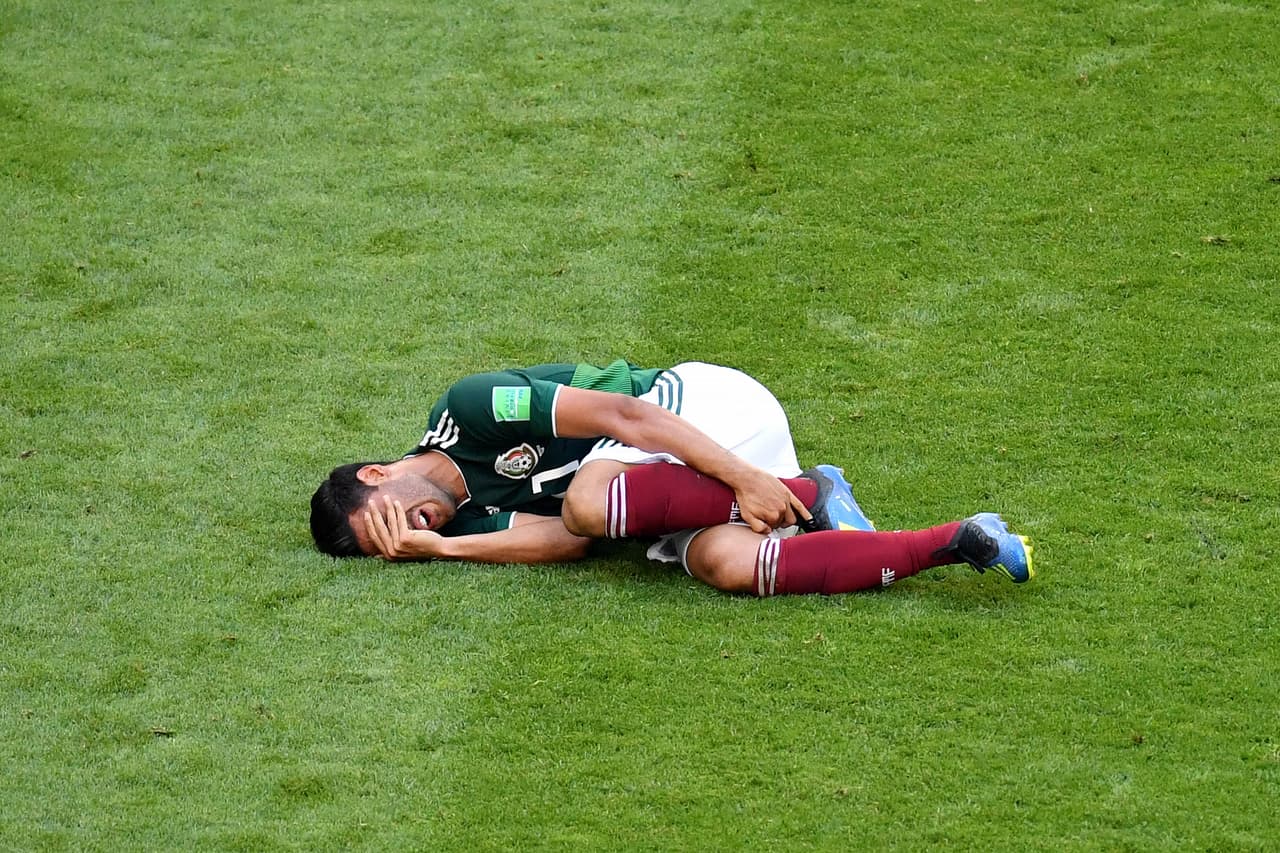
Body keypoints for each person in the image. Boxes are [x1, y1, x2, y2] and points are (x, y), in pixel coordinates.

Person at [310, 359, 1034, 596]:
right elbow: (566, 543)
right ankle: (956, 540)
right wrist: (442, 551)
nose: (414, 531)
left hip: (705, 412)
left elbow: (625, 414)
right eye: (397, 544)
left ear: (378, 472)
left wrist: (746, 477)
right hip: (674, 485)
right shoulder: (464, 526)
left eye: (396, 517)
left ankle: (811, 492)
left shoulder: (469, 411)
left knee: (591, 497)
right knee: (727, 564)